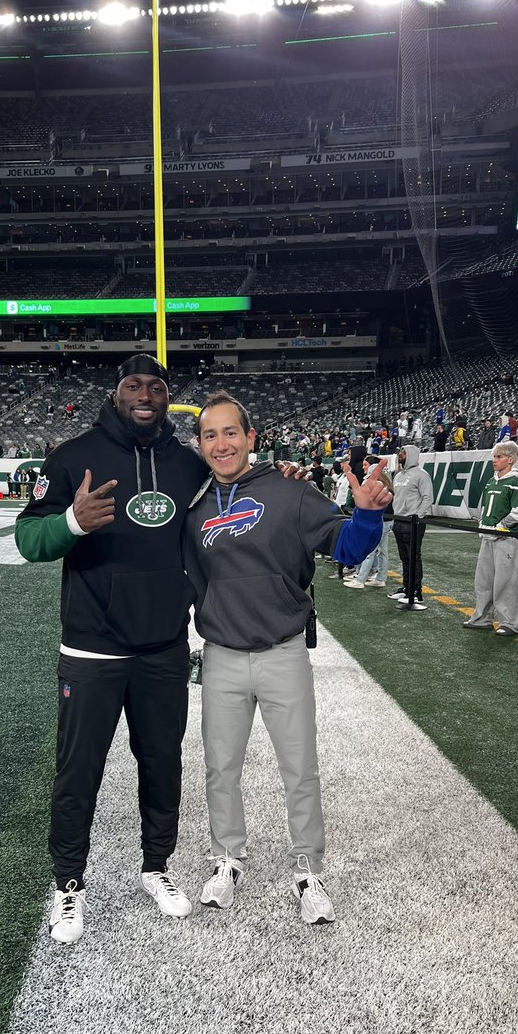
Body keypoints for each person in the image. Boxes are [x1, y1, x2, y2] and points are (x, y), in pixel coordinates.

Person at [14, 354, 209, 945]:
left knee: (163, 763)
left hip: (164, 648)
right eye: (133, 385)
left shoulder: (187, 464)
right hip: (93, 647)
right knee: (79, 772)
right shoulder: (74, 456)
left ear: (167, 397)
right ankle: (68, 885)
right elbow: (28, 539)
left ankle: (156, 868)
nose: (145, 394)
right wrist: (71, 522)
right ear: (116, 393)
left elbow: (214, 538)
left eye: (156, 386)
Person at [182, 394, 391, 924]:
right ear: (199, 444)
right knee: (220, 768)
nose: (221, 444)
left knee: (299, 769)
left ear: (252, 438)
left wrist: (366, 515)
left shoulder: (292, 490)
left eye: (231, 433)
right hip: (223, 655)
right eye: (210, 435)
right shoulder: (194, 502)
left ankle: (307, 868)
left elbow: (345, 547)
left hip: (282, 651)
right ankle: (227, 857)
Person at [463, 441, 518, 636]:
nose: (495, 460)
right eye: (494, 457)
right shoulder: (492, 481)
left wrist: (501, 527)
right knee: (483, 580)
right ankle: (482, 617)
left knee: (505, 581)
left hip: (504, 538)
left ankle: (509, 622)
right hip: (488, 536)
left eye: (499, 457)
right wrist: (485, 523)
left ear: (511, 459)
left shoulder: (515, 481)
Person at [390, 444, 434, 609]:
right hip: (398, 520)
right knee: (404, 557)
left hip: (412, 522)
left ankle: (416, 591)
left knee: (414, 556)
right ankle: (407, 588)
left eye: (403, 452)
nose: (400, 455)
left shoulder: (422, 475)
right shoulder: (399, 475)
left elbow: (428, 498)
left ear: (411, 454)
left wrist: (417, 517)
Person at [344, 454, 394, 589]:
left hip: (378, 520)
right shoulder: (387, 483)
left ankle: (361, 579)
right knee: (383, 551)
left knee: (369, 550)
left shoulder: (377, 485)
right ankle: (381, 578)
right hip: (387, 520)